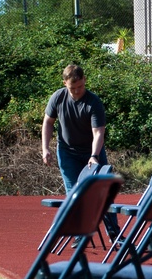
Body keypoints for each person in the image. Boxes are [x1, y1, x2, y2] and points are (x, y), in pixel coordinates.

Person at [42, 63, 120, 240]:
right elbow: (48, 122)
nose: (77, 91)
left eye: (80, 87)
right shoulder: (58, 98)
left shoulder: (93, 102)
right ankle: (79, 236)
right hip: (67, 152)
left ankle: (114, 233)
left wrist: (94, 156)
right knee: (74, 193)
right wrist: (45, 148)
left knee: (103, 194)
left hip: (92, 151)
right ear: (64, 83)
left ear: (85, 80)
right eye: (72, 88)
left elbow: (98, 132)